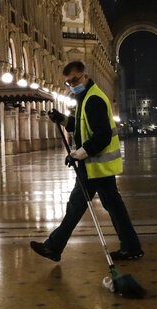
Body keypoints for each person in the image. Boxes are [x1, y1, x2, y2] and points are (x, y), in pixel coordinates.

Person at [30, 61, 144, 262]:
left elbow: (102, 136)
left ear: (85, 76)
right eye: (68, 83)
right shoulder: (86, 98)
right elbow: (81, 126)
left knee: (77, 207)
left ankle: (54, 246)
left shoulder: (93, 100)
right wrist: (62, 119)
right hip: (95, 166)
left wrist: (77, 154)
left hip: (95, 166)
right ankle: (131, 246)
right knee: (110, 207)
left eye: (75, 80)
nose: (72, 85)